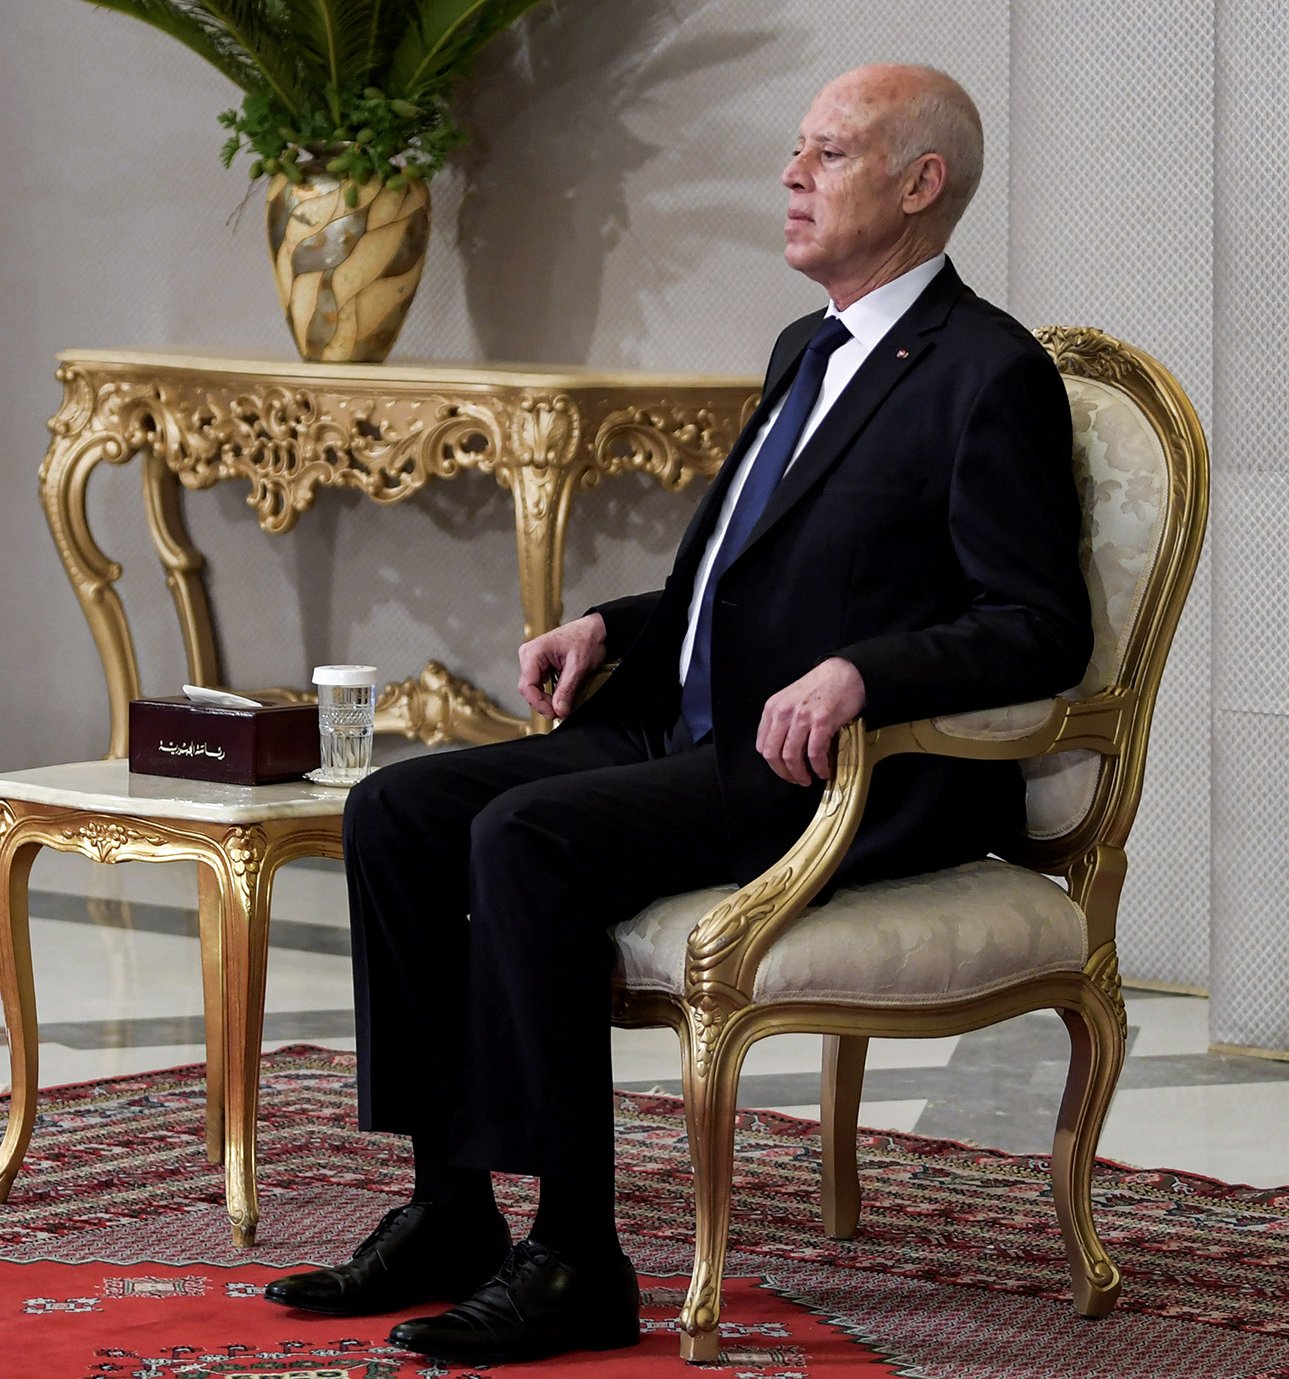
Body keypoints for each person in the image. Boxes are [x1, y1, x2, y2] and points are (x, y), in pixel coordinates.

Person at [265, 62, 1092, 1366]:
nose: (792, 176)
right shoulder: (804, 350)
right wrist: (618, 628)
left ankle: (577, 1258)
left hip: (829, 773)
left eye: (828, 152)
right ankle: (449, 1208)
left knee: (525, 837)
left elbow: (1041, 625)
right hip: (685, 726)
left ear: (920, 183)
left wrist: (865, 672)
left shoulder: (987, 375)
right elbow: (750, 581)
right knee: (399, 810)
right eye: (798, 150)